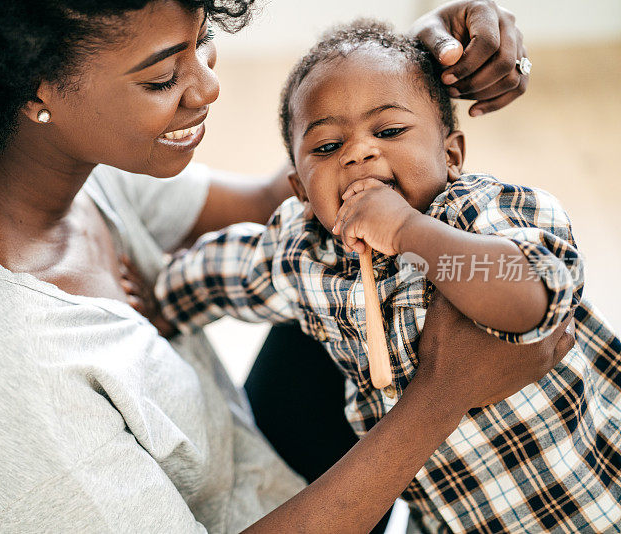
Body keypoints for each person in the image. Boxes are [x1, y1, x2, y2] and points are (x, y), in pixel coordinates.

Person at [0, 0, 573, 532]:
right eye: (162, 78)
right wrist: (442, 399)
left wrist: (406, 70)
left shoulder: (47, 168)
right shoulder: (11, 386)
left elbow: (284, 200)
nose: (206, 88)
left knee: (359, 254)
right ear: (33, 90)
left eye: (202, 41)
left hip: (252, 460)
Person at [155, 19, 621, 532]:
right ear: (301, 189)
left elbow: (532, 296)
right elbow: (231, 268)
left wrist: (409, 232)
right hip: (452, 515)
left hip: (592, 498)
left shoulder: (481, 212)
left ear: (451, 155)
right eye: (327, 147)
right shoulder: (304, 250)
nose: (359, 152)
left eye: (390, 131)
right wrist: (162, 297)